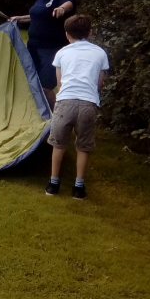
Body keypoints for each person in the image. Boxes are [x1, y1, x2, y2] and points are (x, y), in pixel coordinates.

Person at [45, 15, 109, 199]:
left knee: (58, 144)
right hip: (88, 103)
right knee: (83, 145)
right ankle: (79, 187)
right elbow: (99, 84)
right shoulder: (100, 53)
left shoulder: (62, 53)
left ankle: (53, 184)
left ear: (67, 34)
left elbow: (59, 83)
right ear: (90, 32)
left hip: (65, 102)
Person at [10, 0, 76, 110]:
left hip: (51, 49)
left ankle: (58, 117)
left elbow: (69, 4)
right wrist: (19, 18)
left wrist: (61, 8)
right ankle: (41, 116)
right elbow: (38, 15)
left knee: (46, 87)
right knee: (32, 83)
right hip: (33, 46)